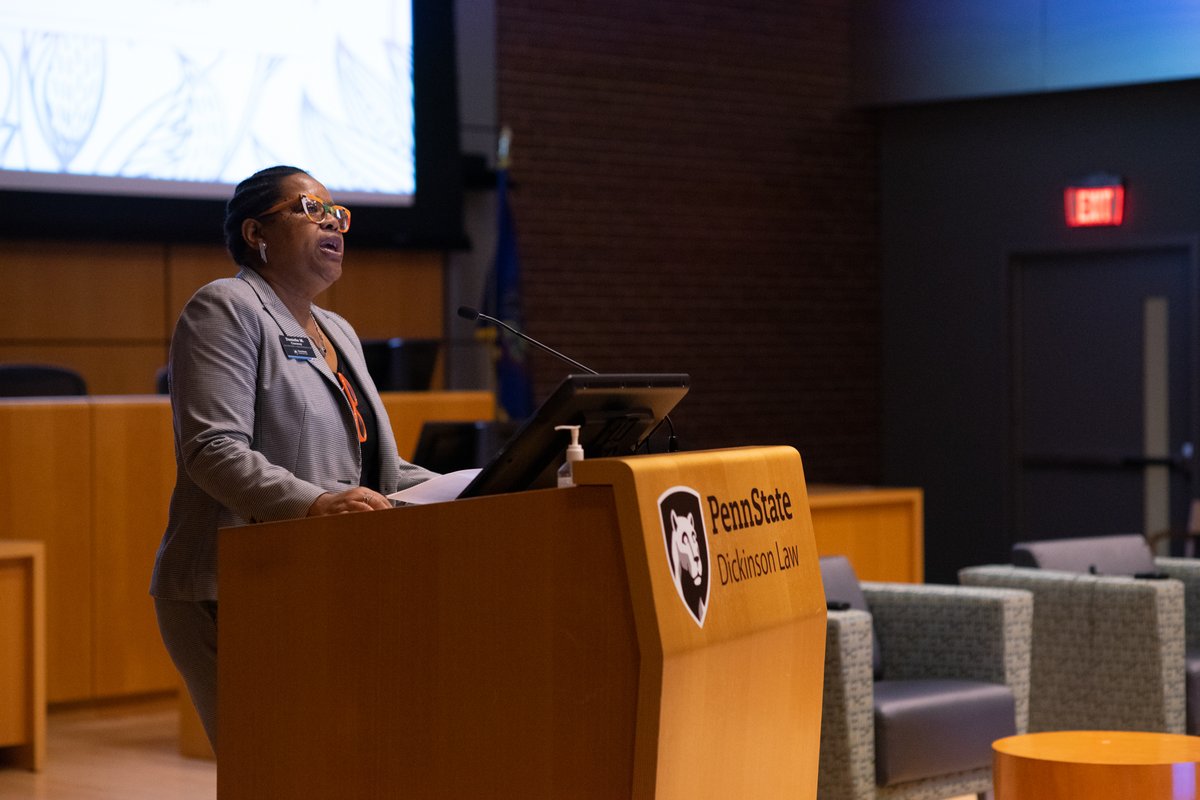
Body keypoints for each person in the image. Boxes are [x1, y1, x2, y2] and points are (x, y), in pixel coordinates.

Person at [149, 165, 436, 752]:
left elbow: (374, 469)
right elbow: (212, 450)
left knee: (333, 767)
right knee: (275, 768)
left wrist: (483, 483)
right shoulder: (227, 307)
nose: (332, 223)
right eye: (311, 210)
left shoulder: (338, 330)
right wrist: (316, 504)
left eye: (338, 214)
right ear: (257, 232)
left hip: (323, 579)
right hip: (233, 586)